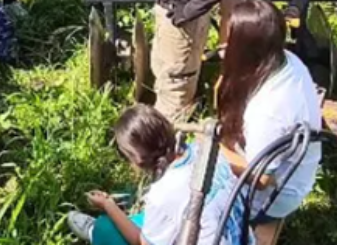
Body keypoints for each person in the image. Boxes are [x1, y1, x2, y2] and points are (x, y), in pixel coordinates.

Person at [66, 104, 252, 245]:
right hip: (241, 238)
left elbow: (142, 242)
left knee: (107, 228)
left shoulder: (162, 194)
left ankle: (95, 231)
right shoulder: (206, 150)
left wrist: (108, 205)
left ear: (136, 160)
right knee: (146, 219)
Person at [217, 0, 322, 245]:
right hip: (290, 169)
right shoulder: (285, 59)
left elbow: (262, 179)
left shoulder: (270, 111)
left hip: (274, 193)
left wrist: (212, 148)